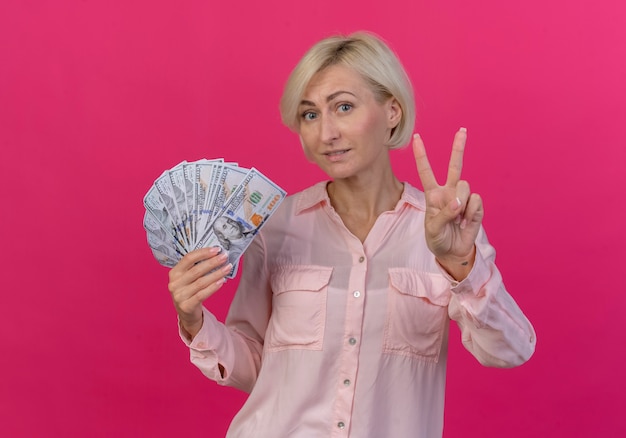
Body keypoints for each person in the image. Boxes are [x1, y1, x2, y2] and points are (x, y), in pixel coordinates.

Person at [167, 31, 536, 437]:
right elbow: (255, 366)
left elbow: (511, 351)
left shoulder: (445, 229)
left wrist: (460, 265)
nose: (326, 133)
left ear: (391, 111)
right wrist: (193, 320)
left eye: (344, 107)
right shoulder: (276, 226)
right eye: (310, 115)